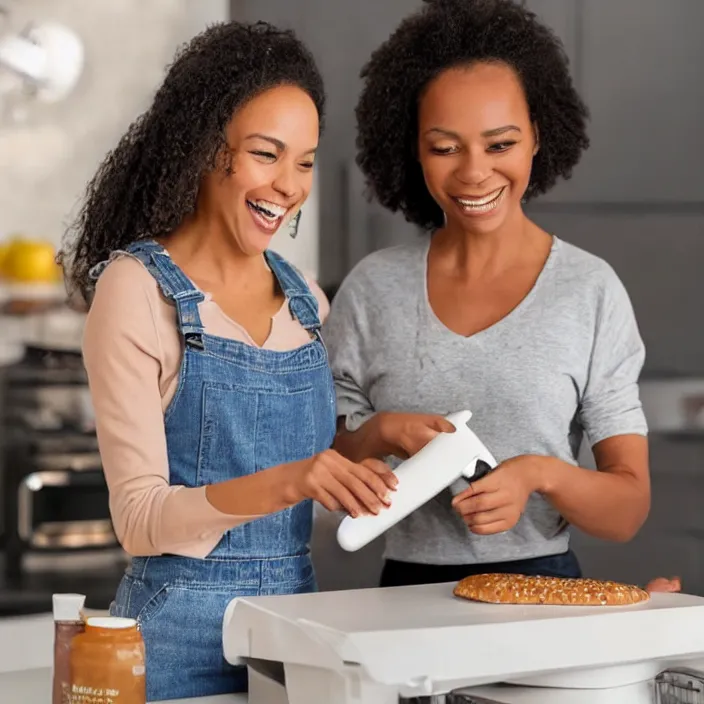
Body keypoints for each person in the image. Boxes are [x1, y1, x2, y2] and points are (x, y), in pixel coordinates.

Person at [60, 21, 396, 701]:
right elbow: (141, 519)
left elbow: (310, 485)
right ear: (206, 146)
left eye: (304, 161)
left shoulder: (307, 304)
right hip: (171, 640)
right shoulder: (136, 289)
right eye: (267, 154)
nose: (290, 185)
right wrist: (295, 479)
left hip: (295, 628)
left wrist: (379, 449)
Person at [324, 0, 653, 588]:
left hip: (544, 597)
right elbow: (323, 465)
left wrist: (540, 475)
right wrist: (381, 433)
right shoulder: (372, 290)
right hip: (401, 599)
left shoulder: (589, 291)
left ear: (536, 139)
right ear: (413, 150)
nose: (474, 173)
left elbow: (627, 509)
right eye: (445, 148)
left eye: (500, 144)